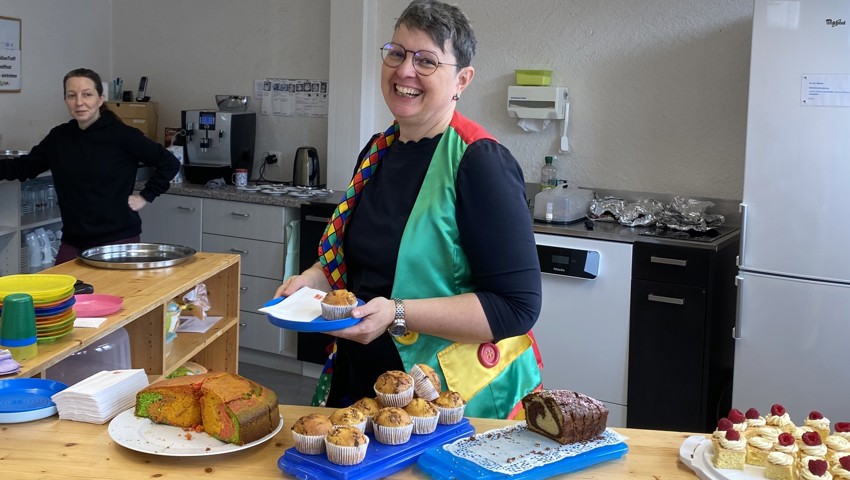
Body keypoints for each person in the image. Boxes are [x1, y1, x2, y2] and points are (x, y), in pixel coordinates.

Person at [276, 0, 542, 419]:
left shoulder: (479, 161)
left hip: (451, 396)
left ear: (462, 80)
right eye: (397, 53)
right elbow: (356, 259)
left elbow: (516, 307)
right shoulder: (378, 150)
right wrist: (311, 281)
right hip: (368, 380)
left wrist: (397, 313)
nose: (404, 70)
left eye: (427, 61)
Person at [0, 68, 180, 264]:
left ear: (100, 99)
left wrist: (146, 196)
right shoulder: (59, 137)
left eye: (87, 94)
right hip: (73, 241)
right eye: (72, 95)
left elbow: (169, 163)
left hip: (118, 242)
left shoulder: (123, 135)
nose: (79, 102)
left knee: (112, 295)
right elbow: (24, 167)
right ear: (66, 100)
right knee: (66, 294)